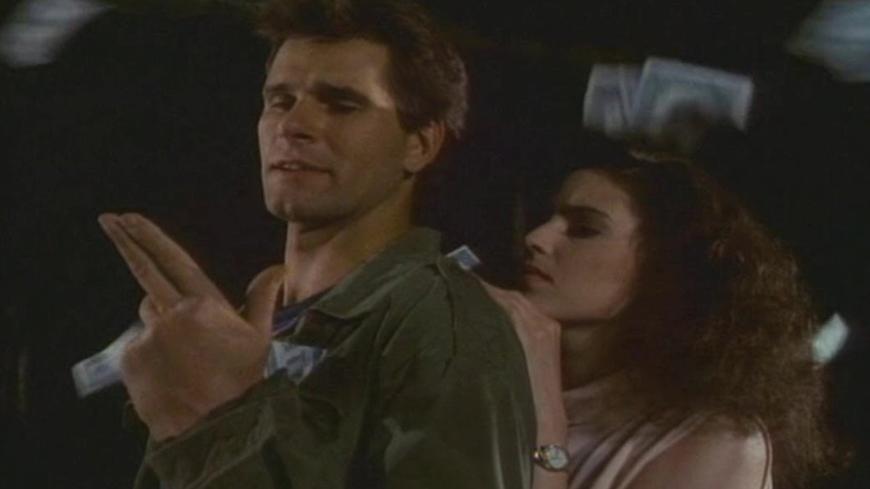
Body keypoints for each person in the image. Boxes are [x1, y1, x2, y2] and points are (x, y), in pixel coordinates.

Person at [97, 1, 536, 488]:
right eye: (280, 101)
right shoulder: (246, 324)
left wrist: (219, 423)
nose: (293, 125)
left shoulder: (443, 325)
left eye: (341, 104)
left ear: (420, 144)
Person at [484, 137, 835, 489]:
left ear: (663, 268)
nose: (536, 238)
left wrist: (545, 416)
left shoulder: (717, 440)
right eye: (544, 218)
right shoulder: (495, 381)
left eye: (584, 229)